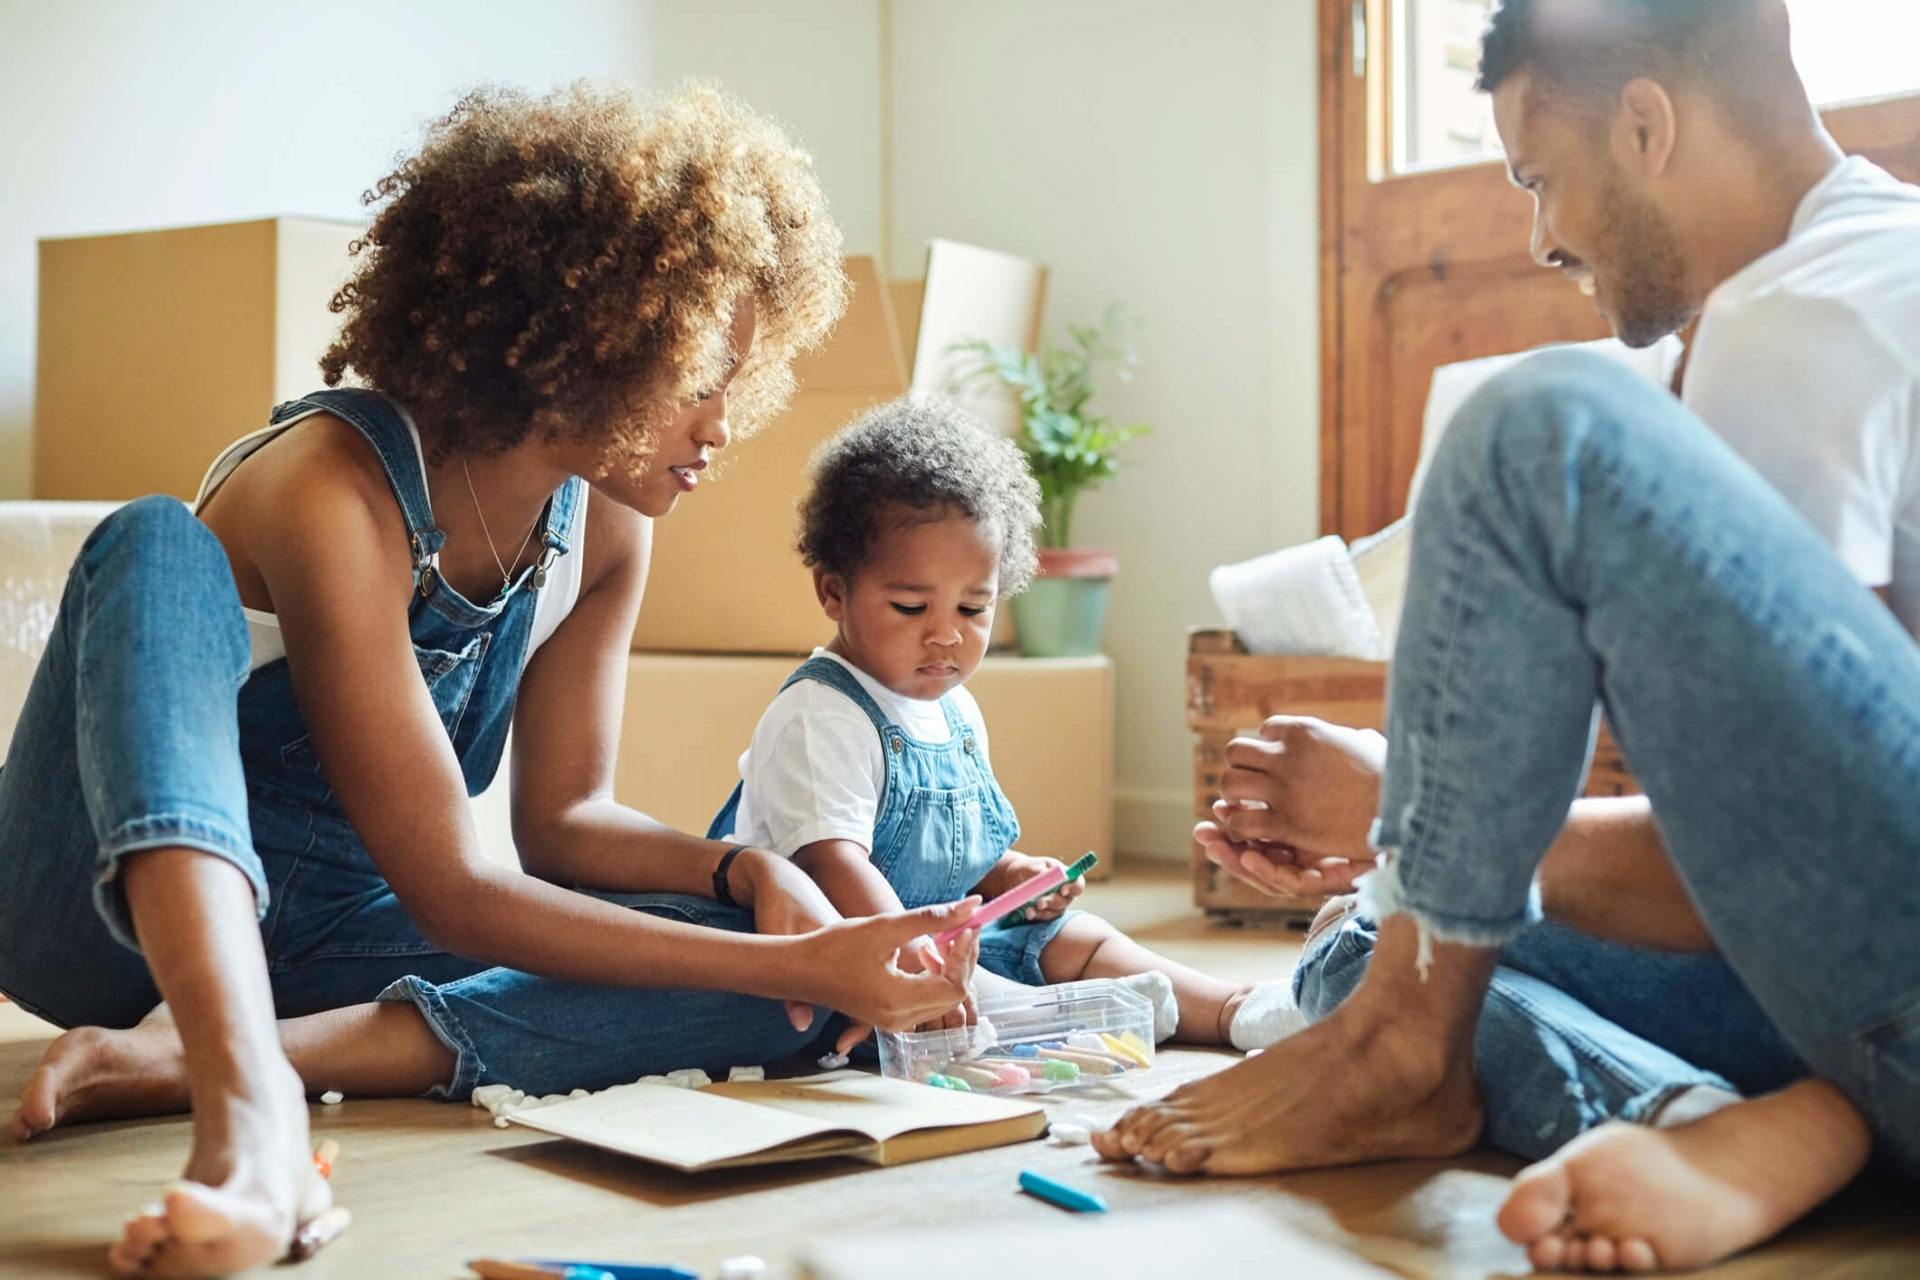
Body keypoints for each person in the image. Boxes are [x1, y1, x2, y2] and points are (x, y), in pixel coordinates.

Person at [0, 83, 984, 1280]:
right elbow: (460, 889)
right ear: (583, 336)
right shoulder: (333, 486)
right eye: (696, 375)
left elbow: (564, 824)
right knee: (152, 539)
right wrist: (785, 958)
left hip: (320, 941)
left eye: (737, 378)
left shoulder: (607, 527)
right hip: (92, 916)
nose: (723, 424)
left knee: (777, 988)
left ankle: (192, 1057)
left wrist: (750, 874)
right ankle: (246, 1107)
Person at [1096, 1, 1920, 1273]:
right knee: (1374, 942)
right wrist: (1423, 846)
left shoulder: (1803, 310)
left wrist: (1406, 812)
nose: (1543, 237)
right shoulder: (1876, 264)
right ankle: (1733, 1123)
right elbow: (1798, 854)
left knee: (1536, 427)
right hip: (1873, 996)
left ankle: (1408, 1055)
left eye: (1542, 180)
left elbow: (1776, 873)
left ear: (1646, 126)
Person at [708, 397, 1304, 1049]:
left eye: (973, 607)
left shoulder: (954, 709)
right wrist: (933, 969)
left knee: (1075, 938)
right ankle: (1063, 1019)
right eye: (910, 607)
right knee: (979, 989)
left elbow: (956, 861)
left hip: (945, 939)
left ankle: (1231, 1008)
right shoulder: (819, 716)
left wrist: (1011, 876)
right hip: (844, 953)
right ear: (833, 593)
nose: (945, 636)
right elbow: (833, 868)